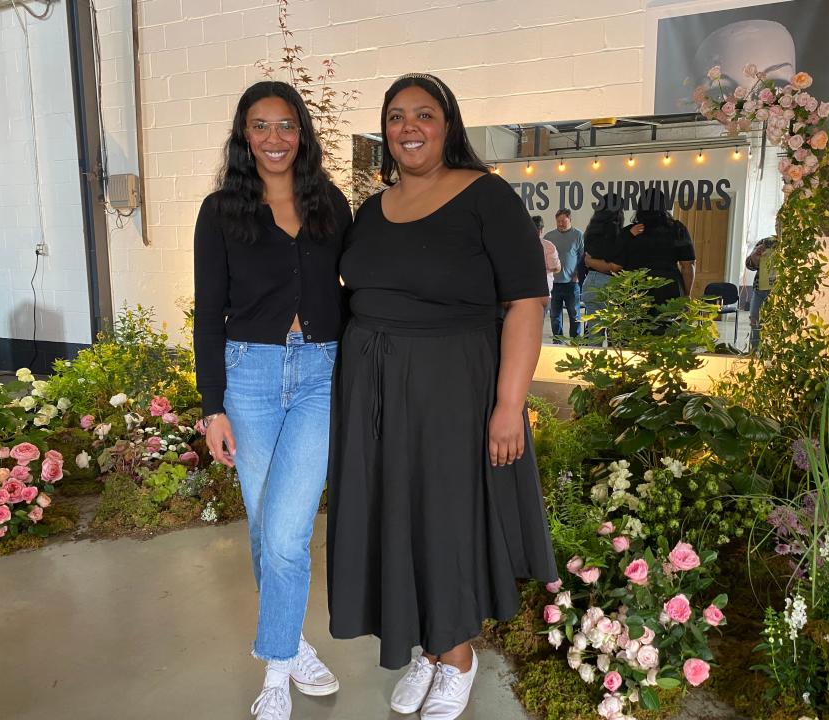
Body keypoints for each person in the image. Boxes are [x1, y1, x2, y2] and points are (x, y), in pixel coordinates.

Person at [327, 72, 557, 720]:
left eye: (422, 114)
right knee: (394, 516)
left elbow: (526, 303)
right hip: (373, 389)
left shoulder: (488, 198)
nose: (408, 127)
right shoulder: (373, 208)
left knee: (444, 519)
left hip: (453, 389)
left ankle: (457, 655)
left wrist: (509, 405)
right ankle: (427, 648)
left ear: (448, 124)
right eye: (395, 116)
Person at [193, 80, 351, 720]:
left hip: (320, 374)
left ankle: (276, 674)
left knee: (285, 532)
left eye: (286, 125)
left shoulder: (330, 204)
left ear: (302, 133)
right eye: (260, 126)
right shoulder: (220, 210)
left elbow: (363, 284)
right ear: (244, 135)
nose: (274, 138)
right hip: (249, 378)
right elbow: (208, 315)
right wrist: (212, 406)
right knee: (268, 529)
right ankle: (296, 643)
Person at [622, 189, 696, 305]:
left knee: (637, 323)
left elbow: (617, 264)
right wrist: (687, 294)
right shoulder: (677, 229)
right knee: (670, 322)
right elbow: (687, 266)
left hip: (636, 289)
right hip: (669, 287)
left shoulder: (630, 232)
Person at [581, 195, 625, 339]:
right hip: (612, 283)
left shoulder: (590, 231)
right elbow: (615, 266)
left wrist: (590, 262)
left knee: (594, 337)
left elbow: (586, 259)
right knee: (615, 338)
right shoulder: (617, 233)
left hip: (591, 281)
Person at [544, 208, 585, 340]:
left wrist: (577, 275)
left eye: (563, 221)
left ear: (570, 220)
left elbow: (582, 257)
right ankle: (558, 341)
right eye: (558, 221)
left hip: (571, 283)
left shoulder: (578, 235)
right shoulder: (549, 237)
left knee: (574, 314)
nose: (561, 224)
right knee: (555, 315)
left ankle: (575, 341)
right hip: (553, 284)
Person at [745, 219, 780, 352]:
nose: (779, 227)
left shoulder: (791, 244)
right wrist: (755, 255)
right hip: (759, 289)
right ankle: (754, 353)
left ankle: (771, 353)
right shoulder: (766, 242)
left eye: (782, 224)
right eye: (777, 224)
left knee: (772, 323)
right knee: (754, 320)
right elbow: (749, 264)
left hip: (777, 290)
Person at [533, 215, 562, 310]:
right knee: (539, 322)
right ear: (541, 230)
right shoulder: (548, 246)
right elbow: (555, 268)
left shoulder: (518, 245)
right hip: (543, 291)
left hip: (522, 292)